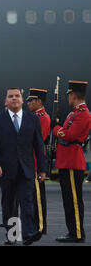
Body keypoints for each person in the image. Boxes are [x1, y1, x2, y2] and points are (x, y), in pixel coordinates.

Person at [0, 87, 47, 245]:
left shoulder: (32, 119)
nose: (14, 99)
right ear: (5, 101)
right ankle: (13, 235)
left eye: (17, 96)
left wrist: (42, 168)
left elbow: (39, 145)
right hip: (6, 169)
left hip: (26, 168)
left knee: (27, 200)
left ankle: (27, 233)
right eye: (11, 96)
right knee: (9, 203)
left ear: (22, 100)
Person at [53, 80, 91, 243]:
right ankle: (72, 231)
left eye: (69, 95)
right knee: (68, 199)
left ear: (73, 96)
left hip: (72, 162)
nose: (68, 98)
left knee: (74, 200)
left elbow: (69, 135)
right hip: (66, 161)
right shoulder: (73, 113)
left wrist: (56, 129)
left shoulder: (84, 114)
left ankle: (77, 233)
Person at [26, 88, 50, 234]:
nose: (28, 103)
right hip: (29, 160)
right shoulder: (34, 116)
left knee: (38, 198)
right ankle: (34, 224)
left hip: (35, 160)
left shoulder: (43, 118)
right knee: (31, 196)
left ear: (39, 101)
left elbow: (37, 139)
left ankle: (40, 226)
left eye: (31, 100)